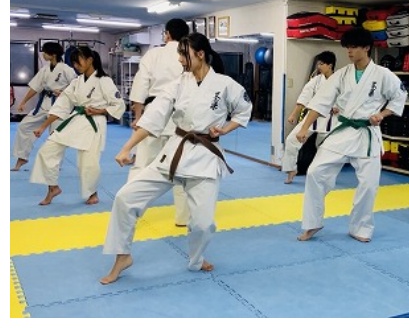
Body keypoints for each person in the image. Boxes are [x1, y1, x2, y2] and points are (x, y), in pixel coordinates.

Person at [100, 33, 251, 284]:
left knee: (203, 224)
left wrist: (225, 129)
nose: (180, 59)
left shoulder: (226, 84)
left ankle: (196, 260)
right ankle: (122, 255)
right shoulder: (178, 84)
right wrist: (126, 148)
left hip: (205, 158)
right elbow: (153, 117)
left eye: (184, 54)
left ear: (200, 54)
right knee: (125, 198)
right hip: (174, 153)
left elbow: (244, 110)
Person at [295, 28, 408, 243]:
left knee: (368, 185)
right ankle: (312, 223)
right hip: (343, 130)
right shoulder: (341, 74)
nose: (349, 51)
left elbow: (399, 96)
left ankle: (360, 227)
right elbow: (321, 102)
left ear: (366, 48)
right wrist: (304, 128)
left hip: (367, 134)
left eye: (354, 47)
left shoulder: (383, 74)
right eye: (347, 47)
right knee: (315, 172)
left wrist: (382, 114)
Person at [30, 47, 125, 205]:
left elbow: (118, 104)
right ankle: (53, 187)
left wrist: (99, 110)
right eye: (73, 62)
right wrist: (43, 126)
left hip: (94, 123)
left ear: (90, 60)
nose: (75, 65)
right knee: (47, 150)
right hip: (76, 119)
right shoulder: (76, 82)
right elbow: (62, 105)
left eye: (78, 61)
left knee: (88, 162)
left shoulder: (104, 80)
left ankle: (92, 193)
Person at [127, 18, 191, 226]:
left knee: (142, 165)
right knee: (181, 168)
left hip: (154, 114)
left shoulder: (153, 54)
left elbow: (140, 86)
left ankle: (131, 211)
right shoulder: (189, 55)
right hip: (182, 118)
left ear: (167, 34)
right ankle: (183, 218)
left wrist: (138, 118)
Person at [12, 42, 75, 171]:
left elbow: (76, 86)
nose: (43, 55)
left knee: (55, 134)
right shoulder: (45, 69)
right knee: (24, 126)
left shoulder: (66, 69)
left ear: (53, 54)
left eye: (45, 52)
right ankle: (22, 157)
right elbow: (35, 87)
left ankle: (54, 164)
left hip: (60, 105)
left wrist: (64, 92)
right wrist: (23, 102)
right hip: (44, 104)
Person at [282, 51, 337, 184]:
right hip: (312, 117)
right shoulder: (316, 80)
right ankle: (291, 170)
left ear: (330, 65)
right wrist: (294, 114)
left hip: (331, 119)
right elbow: (304, 96)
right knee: (291, 140)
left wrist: (338, 106)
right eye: (318, 64)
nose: (318, 67)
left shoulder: (340, 80)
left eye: (321, 64)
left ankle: (325, 174)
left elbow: (346, 99)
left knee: (326, 148)